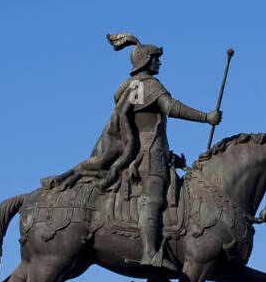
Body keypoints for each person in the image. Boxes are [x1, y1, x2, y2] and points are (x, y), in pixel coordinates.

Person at [44, 33, 221, 268]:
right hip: (149, 155)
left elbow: (145, 126)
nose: (160, 63)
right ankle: (150, 253)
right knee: (154, 198)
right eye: (156, 58)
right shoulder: (149, 85)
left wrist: (170, 155)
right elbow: (171, 107)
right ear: (147, 60)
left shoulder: (131, 87)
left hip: (150, 151)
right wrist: (205, 117)